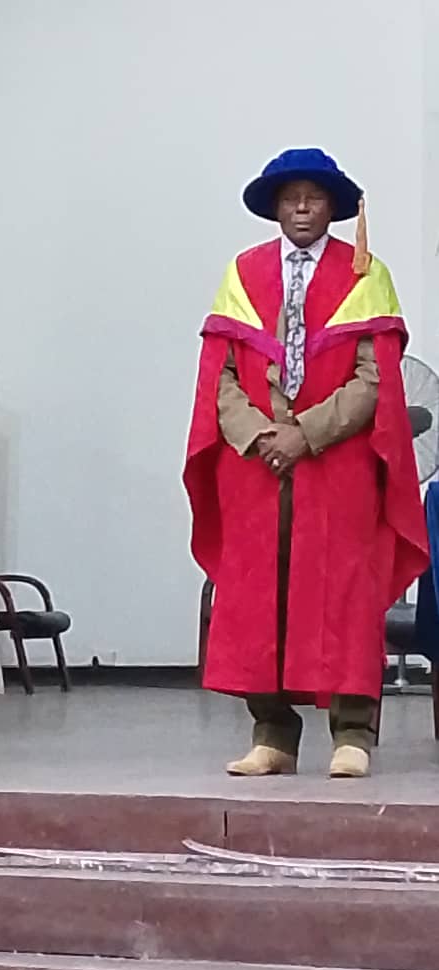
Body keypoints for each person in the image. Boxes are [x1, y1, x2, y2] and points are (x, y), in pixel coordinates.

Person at [183, 148, 428, 779]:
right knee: (256, 594)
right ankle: (272, 734)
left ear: (332, 207)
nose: (300, 207)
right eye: (290, 197)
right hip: (256, 464)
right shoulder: (244, 273)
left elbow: (375, 380)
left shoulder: (365, 273)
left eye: (313, 198)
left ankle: (352, 733)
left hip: (337, 461)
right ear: (274, 206)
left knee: (344, 593)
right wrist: (260, 434)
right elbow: (221, 377)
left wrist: (306, 434)